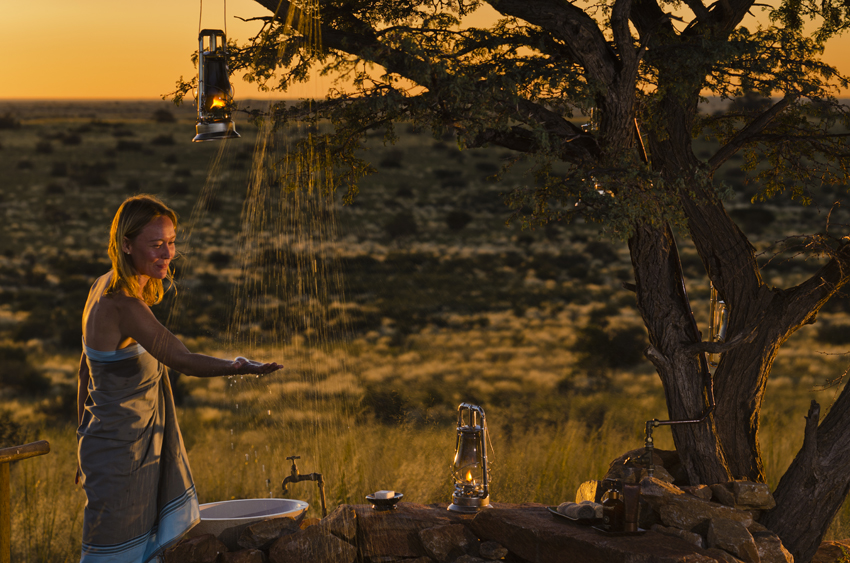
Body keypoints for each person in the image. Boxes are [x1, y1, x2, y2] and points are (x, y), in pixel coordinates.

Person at [77, 195, 281, 562]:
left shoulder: (101, 285)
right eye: (156, 244)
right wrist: (237, 367)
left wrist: (83, 435)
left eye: (171, 242)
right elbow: (182, 360)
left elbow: (83, 372)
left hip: (110, 446)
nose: (168, 253)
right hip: (121, 456)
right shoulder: (123, 305)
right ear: (126, 244)